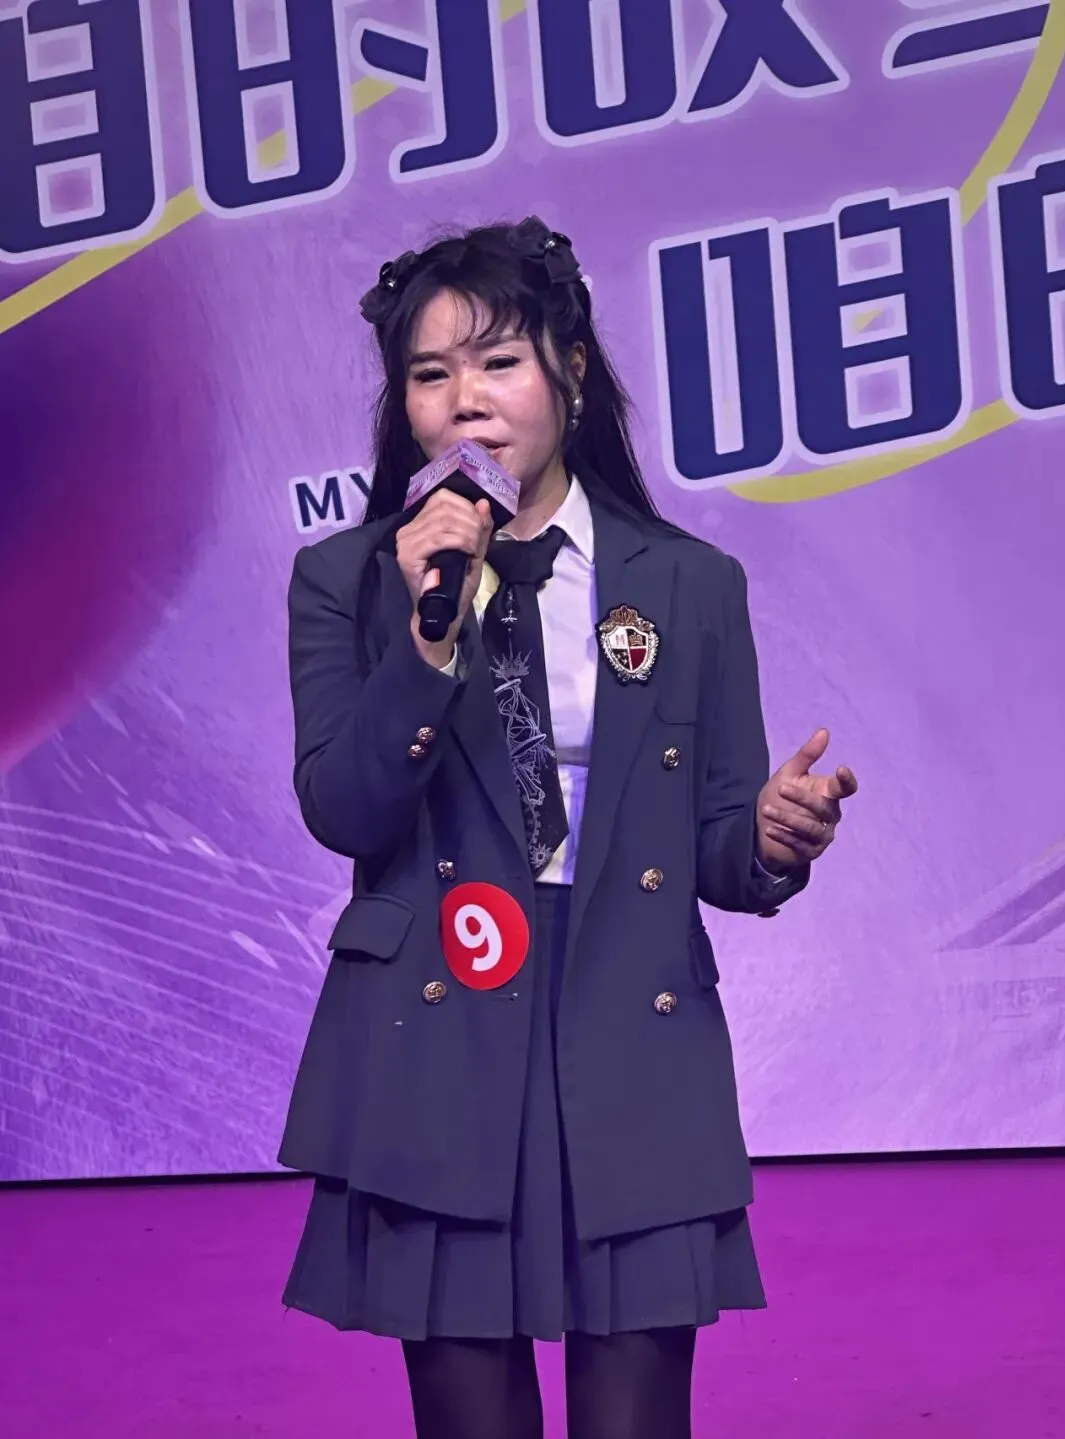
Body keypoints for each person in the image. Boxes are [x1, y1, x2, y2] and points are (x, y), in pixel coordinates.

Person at [278, 217, 858, 1439]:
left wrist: (768, 837)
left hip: (626, 1016)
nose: (464, 400)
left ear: (572, 369)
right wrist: (426, 636)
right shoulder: (351, 578)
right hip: (439, 1029)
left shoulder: (690, 582)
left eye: (498, 361)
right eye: (429, 374)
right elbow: (345, 807)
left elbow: (718, 842)